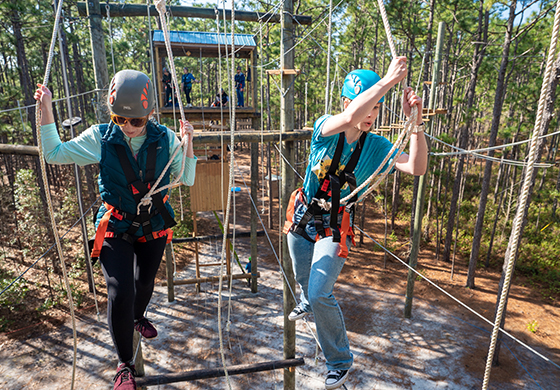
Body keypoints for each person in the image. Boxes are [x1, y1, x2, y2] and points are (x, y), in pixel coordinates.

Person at [34, 70, 197, 390]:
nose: (128, 127)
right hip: (116, 224)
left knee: (145, 282)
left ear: (149, 115)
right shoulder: (100, 137)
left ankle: (137, 317)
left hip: (154, 223)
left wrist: (188, 143)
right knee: (120, 289)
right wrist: (47, 108)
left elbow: (187, 178)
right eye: (120, 119)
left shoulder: (165, 138)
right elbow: (53, 153)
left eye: (135, 121)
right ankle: (124, 366)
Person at [284, 57, 427, 390]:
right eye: (368, 106)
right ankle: (306, 299)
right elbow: (349, 117)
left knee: (321, 293)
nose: (370, 115)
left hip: (333, 225)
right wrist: (388, 82)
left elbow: (416, 167)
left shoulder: (376, 147)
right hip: (304, 218)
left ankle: (339, 361)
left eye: (377, 110)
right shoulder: (326, 127)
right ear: (348, 102)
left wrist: (416, 123)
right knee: (304, 281)